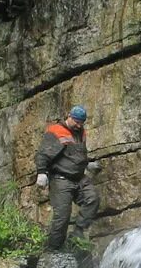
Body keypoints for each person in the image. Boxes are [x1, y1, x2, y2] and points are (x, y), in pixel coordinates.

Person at [33, 105, 98, 249]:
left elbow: (78, 153)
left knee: (92, 199)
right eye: (77, 122)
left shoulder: (81, 132)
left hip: (79, 177)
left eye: (81, 122)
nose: (79, 125)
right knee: (62, 216)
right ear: (69, 117)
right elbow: (43, 154)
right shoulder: (56, 131)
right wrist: (41, 172)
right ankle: (54, 250)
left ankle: (78, 233)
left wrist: (87, 164)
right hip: (61, 179)